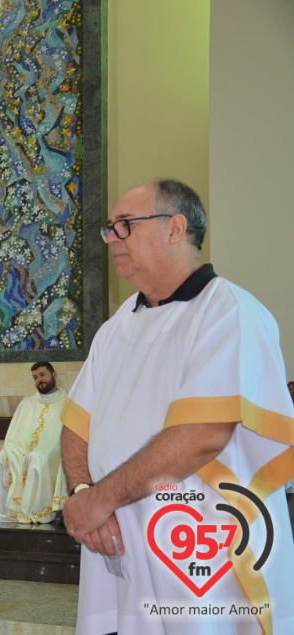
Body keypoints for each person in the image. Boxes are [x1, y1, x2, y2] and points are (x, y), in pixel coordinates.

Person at [60, 179, 294, 634]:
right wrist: (81, 494)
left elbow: (202, 435)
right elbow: (76, 424)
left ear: (175, 228)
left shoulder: (229, 312)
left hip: (202, 550)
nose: (112, 239)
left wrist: (98, 501)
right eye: (110, 228)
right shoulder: (116, 326)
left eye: (125, 225)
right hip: (118, 546)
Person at [0, 362, 68, 524]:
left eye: (42, 375)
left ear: (54, 375)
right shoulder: (27, 403)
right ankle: (23, 510)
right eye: (35, 377)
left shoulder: (68, 402)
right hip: (28, 450)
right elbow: (14, 434)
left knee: (37, 458)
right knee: (14, 455)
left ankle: (41, 511)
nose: (39, 380)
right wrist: (14, 448)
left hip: (56, 451)